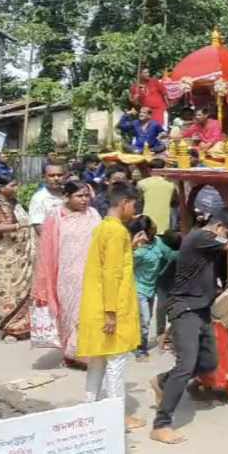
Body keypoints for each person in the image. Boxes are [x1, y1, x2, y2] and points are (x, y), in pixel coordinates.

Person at [148, 209, 228, 444]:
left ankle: (162, 382)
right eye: (226, 233)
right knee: (185, 365)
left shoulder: (206, 240)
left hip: (202, 310)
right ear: (218, 228)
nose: (226, 238)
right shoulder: (201, 237)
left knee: (208, 362)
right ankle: (161, 424)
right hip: (185, 308)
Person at [76, 183, 145, 431]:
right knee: (116, 362)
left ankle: (90, 408)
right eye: (134, 205)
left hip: (97, 304)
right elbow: (112, 273)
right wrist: (111, 313)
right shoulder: (116, 232)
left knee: (97, 361)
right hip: (111, 306)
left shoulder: (104, 227)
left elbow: (112, 264)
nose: (134, 211)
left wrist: (132, 248)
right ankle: (116, 417)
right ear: (124, 202)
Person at [33, 181, 101, 366]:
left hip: (91, 272)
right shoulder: (56, 216)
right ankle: (70, 354)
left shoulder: (93, 214)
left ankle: (84, 354)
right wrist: (44, 282)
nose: (84, 200)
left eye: (87, 195)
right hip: (66, 275)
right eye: (79, 196)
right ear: (67, 197)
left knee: (87, 313)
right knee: (69, 314)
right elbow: (47, 250)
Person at [0, 174, 35, 342]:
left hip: (19, 256)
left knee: (23, 289)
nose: (16, 188)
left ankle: (25, 326)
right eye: (13, 185)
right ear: (1, 188)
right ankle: (10, 329)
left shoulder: (14, 203)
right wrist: (19, 226)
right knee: (6, 292)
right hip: (2, 257)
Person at [129, 216, 177, 360]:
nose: (154, 229)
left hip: (150, 289)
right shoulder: (137, 252)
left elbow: (170, 254)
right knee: (144, 320)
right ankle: (141, 350)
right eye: (151, 229)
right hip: (138, 290)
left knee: (146, 319)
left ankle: (137, 342)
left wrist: (188, 252)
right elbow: (126, 266)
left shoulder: (158, 242)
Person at [137, 159, 177, 234]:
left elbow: (139, 202)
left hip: (147, 223)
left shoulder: (141, 184)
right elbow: (174, 203)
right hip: (165, 224)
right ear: (164, 169)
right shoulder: (171, 184)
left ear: (149, 169)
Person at [28, 161, 68, 235]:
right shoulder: (39, 198)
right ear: (44, 177)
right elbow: (40, 230)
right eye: (51, 175)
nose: (56, 178)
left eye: (59, 175)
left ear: (65, 176)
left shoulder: (70, 194)